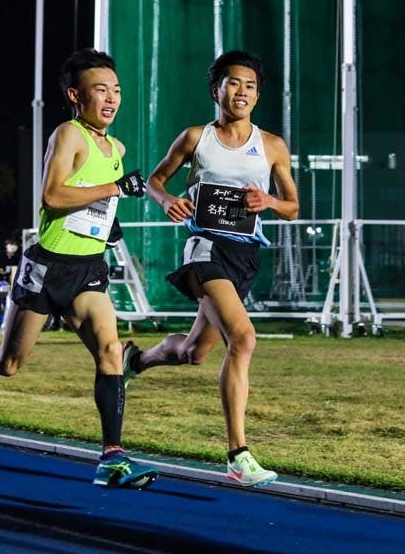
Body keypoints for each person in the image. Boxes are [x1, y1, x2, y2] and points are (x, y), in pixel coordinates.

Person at [0, 48, 156, 489]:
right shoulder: (68, 135)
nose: (111, 99)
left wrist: (110, 225)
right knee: (9, 363)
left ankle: (112, 458)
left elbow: (96, 200)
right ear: (76, 95)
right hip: (47, 267)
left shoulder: (118, 147)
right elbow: (52, 197)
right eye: (100, 90)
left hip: (87, 268)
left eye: (117, 91)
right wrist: (115, 187)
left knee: (111, 352)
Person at [122, 50, 299, 488]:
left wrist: (270, 202)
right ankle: (238, 455)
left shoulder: (272, 145)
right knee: (244, 338)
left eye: (250, 85)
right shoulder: (195, 138)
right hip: (205, 248)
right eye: (233, 83)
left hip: (245, 256)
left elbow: (293, 206)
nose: (241, 92)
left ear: (258, 95)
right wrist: (167, 201)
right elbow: (155, 181)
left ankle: (137, 361)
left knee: (194, 353)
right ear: (216, 89)